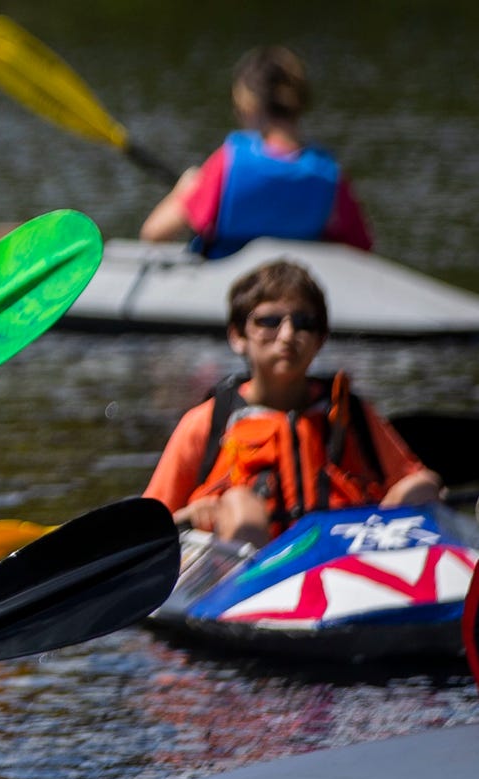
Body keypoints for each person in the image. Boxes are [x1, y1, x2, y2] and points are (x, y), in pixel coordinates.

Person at [143, 260, 439, 546]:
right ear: (238, 336)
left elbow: (413, 482)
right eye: (269, 321)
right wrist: (193, 516)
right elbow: (148, 530)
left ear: (320, 338)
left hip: (341, 567)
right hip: (240, 579)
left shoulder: (353, 414)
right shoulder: (206, 422)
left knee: (420, 486)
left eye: (303, 323)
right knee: (240, 505)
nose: (287, 335)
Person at [139, 46, 373, 257]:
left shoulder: (228, 162)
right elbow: (361, 248)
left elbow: (154, 234)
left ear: (248, 105)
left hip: (233, 291)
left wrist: (184, 190)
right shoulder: (330, 175)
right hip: (292, 288)